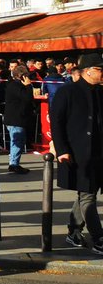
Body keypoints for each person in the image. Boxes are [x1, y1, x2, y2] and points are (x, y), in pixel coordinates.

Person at [49, 52, 103, 254]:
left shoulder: (99, 92)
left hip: (97, 152)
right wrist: (62, 150)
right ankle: (99, 237)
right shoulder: (68, 91)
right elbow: (57, 122)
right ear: (88, 71)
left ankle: (73, 231)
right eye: (99, 69)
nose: (102, 73)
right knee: (88, 195)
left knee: (86, 191)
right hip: (78, 153)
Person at [2, 64, 36, 174]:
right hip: (16, 118)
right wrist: (28, 86)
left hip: (15, 117)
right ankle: (14, 164)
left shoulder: (13, 85)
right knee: (17, 141)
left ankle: (14, 162)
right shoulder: (15, 86)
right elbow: (27, 98)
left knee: (17, 141)